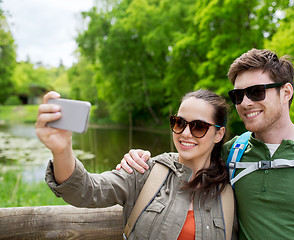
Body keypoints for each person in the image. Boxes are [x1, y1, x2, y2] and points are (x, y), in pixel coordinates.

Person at [117, 49, 294, 239]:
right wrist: (139, 159)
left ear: (286, 92)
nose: (244, 103)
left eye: (256, 91)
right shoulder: (229, 152)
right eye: (238, 95)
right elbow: (184, 156)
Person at [35, 90, 238, 240]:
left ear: (219, 134)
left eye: (199, 126)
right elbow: (85, 190)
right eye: (179, 123)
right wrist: (62, 150)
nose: (185, 133)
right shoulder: (143, 171)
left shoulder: (229, 190)